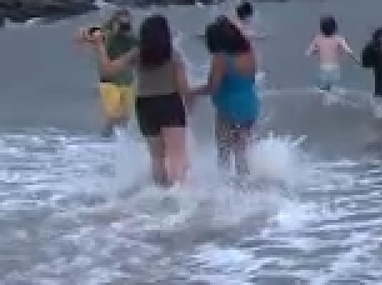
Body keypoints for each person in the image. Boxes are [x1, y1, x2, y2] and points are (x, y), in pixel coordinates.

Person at [94, 14, 191, 187]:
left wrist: (100, 45)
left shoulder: (137, 54)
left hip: (145, 106)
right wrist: (192, 102)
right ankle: (180, 196)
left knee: (157, 156)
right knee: (177, 154)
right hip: (169, 103)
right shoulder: (174, 55)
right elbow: (183, 89)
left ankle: (161, 193)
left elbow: (107, 71)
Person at [192, 16, 260, 178]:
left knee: (224, 152)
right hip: (250, 106)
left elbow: (212, 87)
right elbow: (251, 79)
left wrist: (190, 92)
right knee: (241, 153)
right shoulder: (249, 53)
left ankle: (224, 191)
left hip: (228, 109)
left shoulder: (221, 59)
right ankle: (246, 189)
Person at [76, 8, 137, 135]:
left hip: (128, 82)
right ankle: (106, 141)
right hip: (109, 82)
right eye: (122, 24)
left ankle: (117, 145)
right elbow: (83, 34)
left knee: (125, 119)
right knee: (113, 116)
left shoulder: (133, 38)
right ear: (114, 23)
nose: (125, 27)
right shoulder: (105, 34)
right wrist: (84, 39)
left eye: (127, 24)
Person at [306, 15, 357, 91]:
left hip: (322, 69)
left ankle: (323, 101)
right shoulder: (339, 39)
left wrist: (316, 51)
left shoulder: (317, 39)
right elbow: (349, 51)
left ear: (321, 28)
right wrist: (357, 61)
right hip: (335, 68)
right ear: (335, 28)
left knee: (322, 90)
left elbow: (308, 53)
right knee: (334, 90)